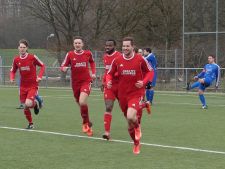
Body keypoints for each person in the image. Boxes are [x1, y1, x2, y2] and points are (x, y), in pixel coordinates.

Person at [106, 37, 154, 154]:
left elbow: (150, 72)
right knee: (129, 124)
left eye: (127, 46)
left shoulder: (140, 59)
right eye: (123, 46)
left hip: (136, 93)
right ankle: (136, 143)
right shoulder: (117, 60)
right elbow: (109, 74)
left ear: (132, 47)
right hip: (122, 95)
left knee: (131, 116)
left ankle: (138, 127)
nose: (125, 48)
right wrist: (108, 80)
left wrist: (143, 82)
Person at [60, 36, 96, 136]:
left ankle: (86, 124)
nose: (77, 45)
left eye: (79, 43)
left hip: (86, 81)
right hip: (75, 83)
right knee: (80, 104)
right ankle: (87, 123)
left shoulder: (88, 53)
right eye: (75, 43)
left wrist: (93, 72)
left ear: (82, 44)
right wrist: (64, 68)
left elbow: (92, 62)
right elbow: (63, 65)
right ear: (73, 44)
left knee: (82, 101)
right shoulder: (70, 54)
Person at [10, 39, 45, 129]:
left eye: (24, 47)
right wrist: (12, 78)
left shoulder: (32, 57)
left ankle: (37, 102)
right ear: (18, 48)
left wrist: (40, 76)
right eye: (20, 47)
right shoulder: (16, 59)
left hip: (33, 85)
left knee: (28, 104)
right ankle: (31, 123)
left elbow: (42, 65)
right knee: (25, 106)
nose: (22, 49)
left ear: (27, 48)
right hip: (22, 86)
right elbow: (13, 71)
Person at [101, 39, 121, 140]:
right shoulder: (104, 57)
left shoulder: (119, 56)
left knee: (127, 110)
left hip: (121, 86)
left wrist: (112, 76)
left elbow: (120, 71)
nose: (107, 47)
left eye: (110, 45)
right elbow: (107, 71)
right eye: (106, 45)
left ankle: (143, 104)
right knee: (108, 107)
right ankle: (107, 132)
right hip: (109, 86)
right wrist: (104, 82)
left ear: (114, 46)